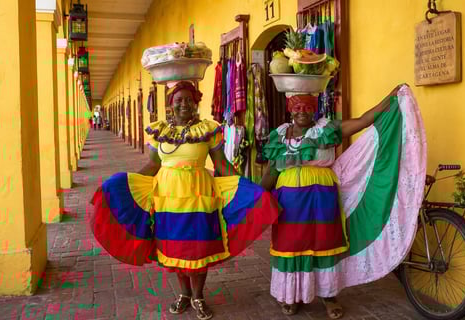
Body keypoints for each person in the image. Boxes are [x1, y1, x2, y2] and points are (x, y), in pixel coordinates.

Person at [90, 81, 279, 320]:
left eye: (188, 99)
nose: (184, 104)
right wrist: (124, 184)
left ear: (196, 102)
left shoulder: (208, 130)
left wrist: (246, 187)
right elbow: (153, 165)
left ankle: (199, 296)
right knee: (175, 248)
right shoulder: (159, 131)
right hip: (168, 197)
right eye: (178, 100)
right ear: (170, 104)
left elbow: (221, 164)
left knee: (198, 249)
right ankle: (184, 294)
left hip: (199, 195)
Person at [261, 84, 426, 319]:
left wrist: (389, 99)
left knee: (324, 244)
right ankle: (292, 295)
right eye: (297, 106)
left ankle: (329, 295)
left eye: (307, 106)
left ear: (314, 108)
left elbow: (363, 120)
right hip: (289, 202)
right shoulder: (279, 136)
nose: (302, 111)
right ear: (290, 109)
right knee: (290, 246)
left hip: (321, 198)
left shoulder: (326, 130)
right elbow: (270, 173)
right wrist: (252, 196)